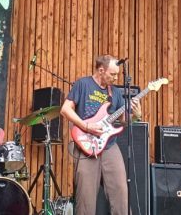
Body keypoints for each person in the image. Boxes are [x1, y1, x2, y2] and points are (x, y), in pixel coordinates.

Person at [60, 54, 142, 215]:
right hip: (86, 144)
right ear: (101, 70)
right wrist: (86, 126)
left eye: (117, 74)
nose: (116, 78)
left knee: (121, 193)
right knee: (86, 198)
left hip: (109, 146)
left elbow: (123, 120)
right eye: (112, 74)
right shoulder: (83, 84)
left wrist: (136, 116)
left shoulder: (115, 93)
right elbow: (65, 109)